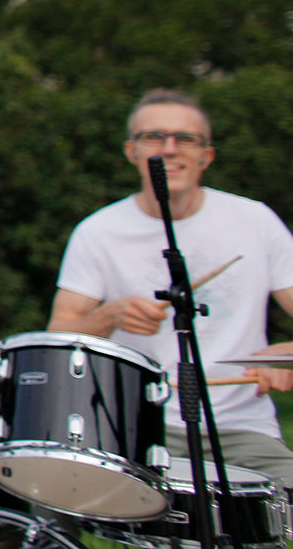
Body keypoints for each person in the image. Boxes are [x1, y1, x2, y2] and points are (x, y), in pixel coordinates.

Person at [49, 88, 293, 488]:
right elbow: (57, 341)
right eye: (154, 137)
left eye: (185, 139)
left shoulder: (255, 221)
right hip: (136, 427)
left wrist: (288, 354)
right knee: (44, 494)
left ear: (206, 155)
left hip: (242, 429)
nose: (170, 149)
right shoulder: (98, 232)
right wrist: (107, 316)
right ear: (132, 151)